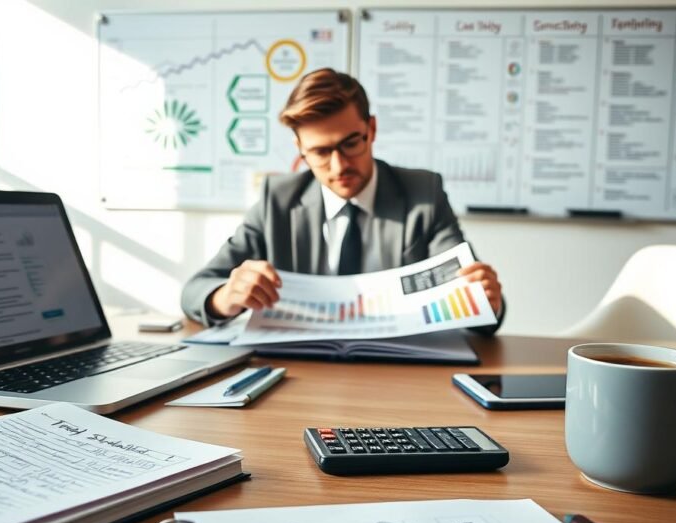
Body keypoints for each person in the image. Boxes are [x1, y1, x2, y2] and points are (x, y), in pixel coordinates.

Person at [181, 68, 504, 334]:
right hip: (297, 374)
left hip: (395, 376)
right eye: (320, 152)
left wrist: (486, 299)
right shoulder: (276, 199)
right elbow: (195, 291)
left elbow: (475, 301)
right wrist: (226, 297)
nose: (339, 166)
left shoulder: (424, 194)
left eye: (351, 144)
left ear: (371, 129)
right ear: (300, 149)